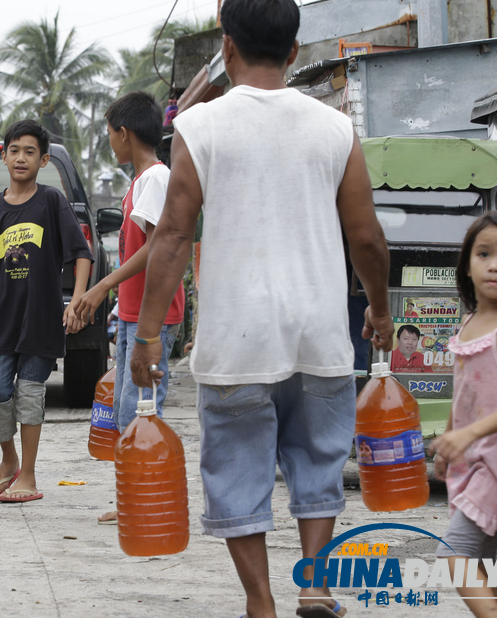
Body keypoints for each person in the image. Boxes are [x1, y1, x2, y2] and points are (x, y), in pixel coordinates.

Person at [129, 2, 392, 617]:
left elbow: (170, 237)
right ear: (295, 51)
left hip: (235, 340)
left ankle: (261, 603)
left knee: (238, 475)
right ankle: (316, 585)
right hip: (319, 334)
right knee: (319, 468)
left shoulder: (200, 126)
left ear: (227, 47)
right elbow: (367, 238)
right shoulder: (334, 127)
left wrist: (146, 337)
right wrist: (379, 311)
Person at [0, 120, 93, 503]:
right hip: (3, 324)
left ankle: (28, 476)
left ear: (43, 160)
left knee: (30, 394)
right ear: (3, 157)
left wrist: (78, 299)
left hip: (43, 322)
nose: (21, 157)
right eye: (14, 150)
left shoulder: (51, 201)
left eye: (30, 151)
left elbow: (81, 253)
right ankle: (9, 460)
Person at [72, 91, 185, 524]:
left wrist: (102, 287)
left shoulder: (155, 178)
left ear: (124, 133)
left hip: (153, 318)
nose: (109, 143)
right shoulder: (141, 182)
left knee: (141, 410)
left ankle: (149, 502)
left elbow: (158, 246)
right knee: (127, 411)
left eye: (109, 135)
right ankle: (135, 500)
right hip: (136, 312)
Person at [429, 210, 497, 618]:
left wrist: (468, 436)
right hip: (475, 460)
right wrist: (450, 441)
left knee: (455, 555)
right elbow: (464, 395)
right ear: (466, 264)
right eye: (484, 253)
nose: (495, 264)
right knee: (482, 562)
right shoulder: (469, 323)